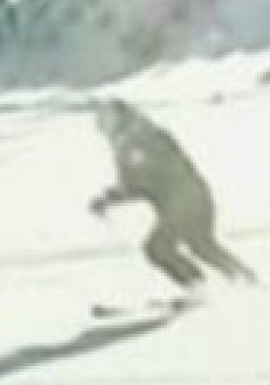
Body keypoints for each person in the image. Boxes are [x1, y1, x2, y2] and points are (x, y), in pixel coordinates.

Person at [89, 98, 258, 290]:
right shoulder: (136, 138)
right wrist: (112, 196)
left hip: (184, 201)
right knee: (201, 246)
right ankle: (242, 279)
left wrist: (110, 198)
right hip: (191, 198)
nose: (101, 126)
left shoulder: (137, 139)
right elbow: (139, 181)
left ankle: (200, 286)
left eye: (105, 119)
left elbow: (142, 179)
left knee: (159, 248)